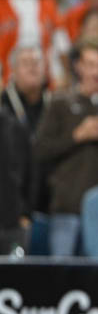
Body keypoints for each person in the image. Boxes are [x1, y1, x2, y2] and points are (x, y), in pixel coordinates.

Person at [34, 41, 98, 256]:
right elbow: (40, 151)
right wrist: (78, 135)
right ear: (78, 67)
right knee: (61, 276)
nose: (97, 71)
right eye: (91, 64)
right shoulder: (59, 103)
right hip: (68, 209)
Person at [0, 0, 68, 86]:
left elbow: (61, 42)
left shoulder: (47, 2)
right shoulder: (1, 4)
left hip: (45, 75)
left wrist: (65, 74)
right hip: (9, 77)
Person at [0, 109, 33, 255]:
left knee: (13, 275)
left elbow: (30, 172)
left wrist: (26, 212)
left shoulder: (13, 126)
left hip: (12, 220)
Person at [1, 46, 52, 136]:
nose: (32, 68)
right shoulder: (3, 103)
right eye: (25, 64)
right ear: (13, 71)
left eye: (36, 63)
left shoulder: (53, 101)